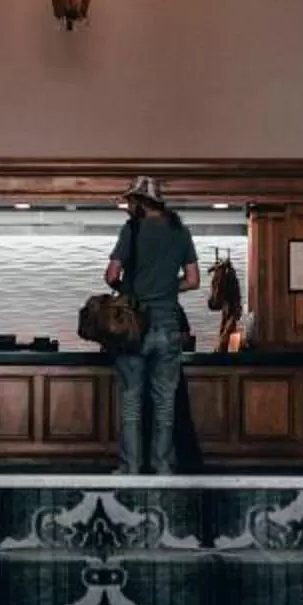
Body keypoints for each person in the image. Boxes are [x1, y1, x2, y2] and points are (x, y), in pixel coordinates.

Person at [104, 175, 199, 474]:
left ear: (140, 202)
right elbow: (194, 280)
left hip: (135, 327)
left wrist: (129, 288)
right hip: (169, 325)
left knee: (132, 401)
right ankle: (162, 466)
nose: (128, 206)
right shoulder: (180, 231)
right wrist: (169, 289)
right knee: (164, 403)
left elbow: (110, 275)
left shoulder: (132, 229)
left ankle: (130, 467)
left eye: (130, 201)